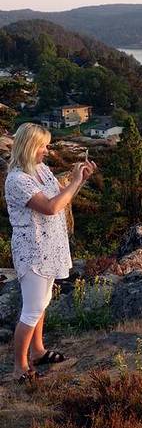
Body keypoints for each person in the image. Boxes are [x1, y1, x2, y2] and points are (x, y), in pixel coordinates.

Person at [4, 123, 96, 383]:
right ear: (29, 146)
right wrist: (74, 180)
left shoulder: (41, 169)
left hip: (49, 247)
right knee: (32, 309)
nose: (46, 150)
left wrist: (81, 180)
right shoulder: (17, 180)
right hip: (32, 251)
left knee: (41, 303)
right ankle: (20, 367)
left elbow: (61, 198)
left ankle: (38, 351)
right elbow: (51, 207)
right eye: (42, 146)